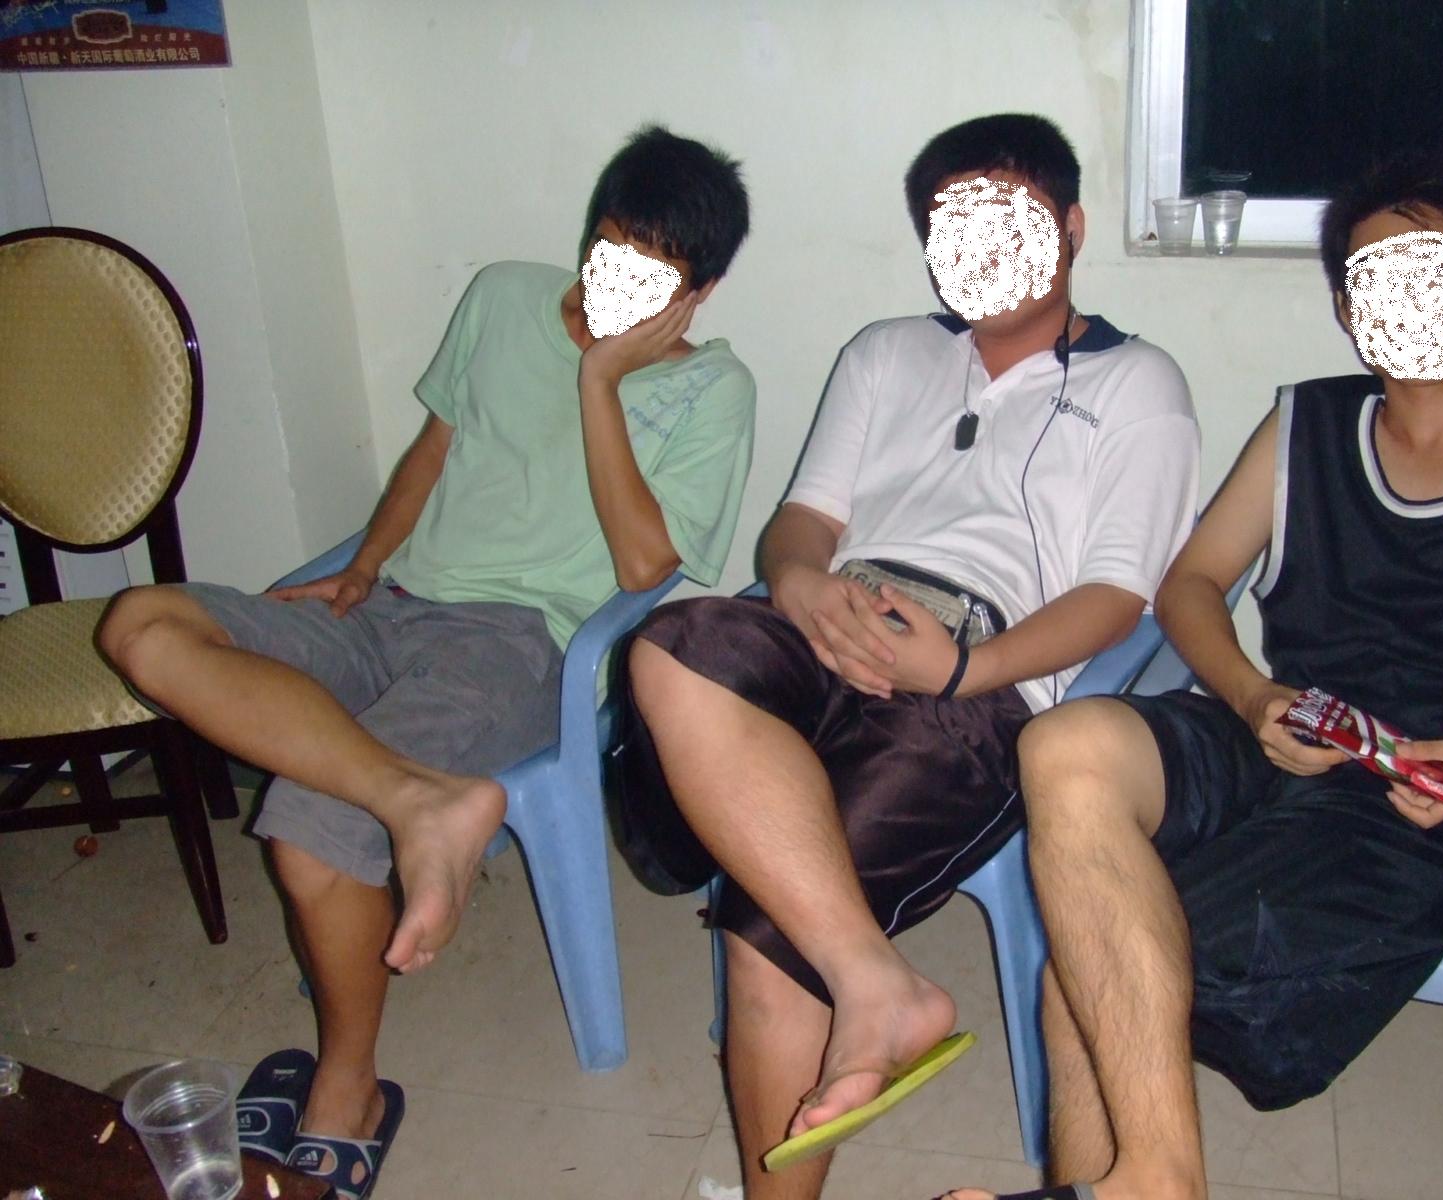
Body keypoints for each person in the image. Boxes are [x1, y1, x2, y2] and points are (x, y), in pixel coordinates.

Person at [97, 125, 755, 1198]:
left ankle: (348, 1086)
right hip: (392, 605)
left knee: (309, 830)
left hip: (518, 646)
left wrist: (599, 381)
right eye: (610, 251)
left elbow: (645, 565)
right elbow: (434, 451)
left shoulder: (712, 392)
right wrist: (359, 569)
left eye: (654, 276)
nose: (616, 287)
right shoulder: (501, 296)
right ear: (590, 231)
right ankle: (417, 801)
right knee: (143, 623)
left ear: (701, 292)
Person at [941, 156, 1443, 1200]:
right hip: (1288, 739)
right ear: (1345, 306)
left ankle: (1140, 1180)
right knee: (1064, 743)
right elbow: (1191, 583)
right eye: (1374, 279)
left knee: (1091, 970)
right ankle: (1155, 1179)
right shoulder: (1308, 425)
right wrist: (1251, 696)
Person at [623, 113, 1199, 1200]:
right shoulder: (885, 351)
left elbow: (1118, 599)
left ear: (1072, 229)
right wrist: (800, 584)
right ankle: (875, 982)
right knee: (670, 643)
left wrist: (964, 670)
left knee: (772, 922)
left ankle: (829, 1026)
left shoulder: (1139, 384)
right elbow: (803, 522)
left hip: (979, 675)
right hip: (832, 616)